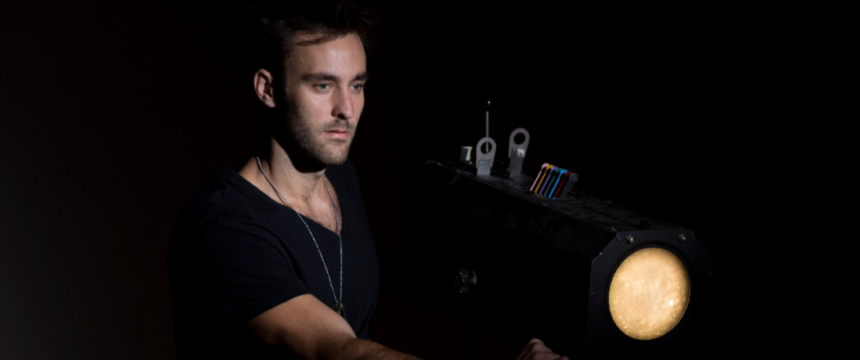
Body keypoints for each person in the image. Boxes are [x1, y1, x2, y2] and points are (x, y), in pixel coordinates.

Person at [168, 1, 568, 359]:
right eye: (323, 85)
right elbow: (337, 349)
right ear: (268, 89)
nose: (347, 109)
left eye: (357, 85)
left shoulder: (339, 177)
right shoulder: (223, 230)